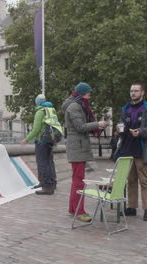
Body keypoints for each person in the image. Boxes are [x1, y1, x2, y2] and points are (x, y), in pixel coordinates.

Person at [117, 83, 147, 221]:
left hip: (142, 151)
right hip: (127, 150)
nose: (133, 93)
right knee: (130, 181)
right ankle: (131, 207)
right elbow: (121, 125)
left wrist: (141, 132)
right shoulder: (125, 109)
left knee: (145, 182)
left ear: (142, 93)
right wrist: (120, 130)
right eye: (131, 91)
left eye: (136, 91)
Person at [62, 82, 107, 222]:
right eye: (88, 93)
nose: (90, 95)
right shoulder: (75, 106)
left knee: (77, 179)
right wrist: (97, 124)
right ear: (82, 93)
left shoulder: (77, 104)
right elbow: (80, 127)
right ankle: (79, 211)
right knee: (79, 181)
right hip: (77, 147)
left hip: (78, 146)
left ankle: (72, 208)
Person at [20, 94, 61, 195]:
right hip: (50, 140)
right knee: (49, 162)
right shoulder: (51, 110)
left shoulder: (40, 112)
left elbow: (36, 129)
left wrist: (26, 139)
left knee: (43, 163)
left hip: (42, 141)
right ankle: (51, 183)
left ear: (37, 102)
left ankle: (47, 187)